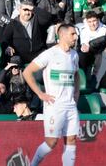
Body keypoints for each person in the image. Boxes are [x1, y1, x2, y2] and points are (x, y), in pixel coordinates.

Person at [23, 24, 80, 166]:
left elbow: (77, 74)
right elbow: (27, 72)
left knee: (71, 140)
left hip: (71, 105)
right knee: (51, 142)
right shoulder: (50, 54)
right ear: (62, 35)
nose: (76, 37)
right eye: (73, 34)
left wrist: (77, 93)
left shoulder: (74, 55)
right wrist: (40, 94)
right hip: (54, 106)